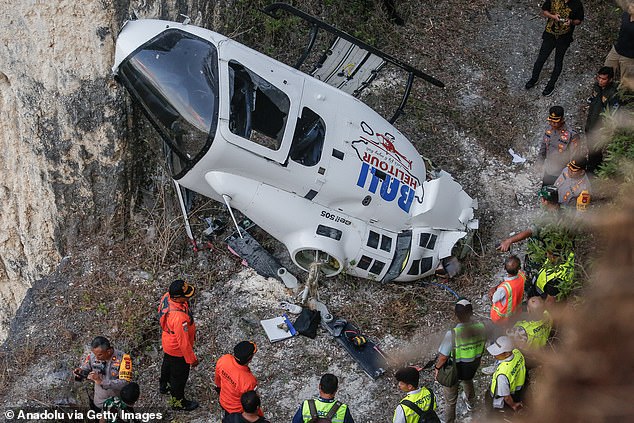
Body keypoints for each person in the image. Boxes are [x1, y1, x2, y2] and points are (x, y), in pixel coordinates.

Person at [434, 299, 486, 423]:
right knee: (468, 383)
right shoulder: (481, 327)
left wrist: (437, 369)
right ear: (472, 312)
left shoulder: (453, 334)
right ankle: (473, 407)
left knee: (450, 401)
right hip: (471, 366)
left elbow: (443, 357)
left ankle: (449, 421)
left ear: (456, 315)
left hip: (455, 370)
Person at [525, 0, 585, 96]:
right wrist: (553, 16)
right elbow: (544, 11)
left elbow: (579, 20)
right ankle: (534, 79)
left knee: (558, 62)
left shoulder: (577, 3)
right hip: (550, 35)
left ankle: (550, 85)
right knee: (541, 59)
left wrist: (571, 22)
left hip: (564, 38)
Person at [158, 279, 199, 411]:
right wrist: (191, 359)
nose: (188, 297)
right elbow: (184, 343)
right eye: (185, 296)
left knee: (167, 363)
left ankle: (163, 385)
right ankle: (179, 402)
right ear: (177, 297)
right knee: (179, 377)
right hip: (177, 349)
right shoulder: (179, 318)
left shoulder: (167, 296)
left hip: (168, 341)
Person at [73, 336, 132, 411]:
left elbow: (125, 383)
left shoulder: (124, 358)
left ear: (109, 351)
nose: (97, 358)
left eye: (100, 355)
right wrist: (80, 372)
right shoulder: (92, 356)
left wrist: (102, 382)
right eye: (95, 354)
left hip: (117, 404)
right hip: (99, 403)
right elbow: (85, 369)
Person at [497, 185, 561, 252]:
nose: (541, 200)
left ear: (545, 201)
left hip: (546, 248)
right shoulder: (564, 208)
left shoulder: (546, 218)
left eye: (541, 198)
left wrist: (509, 241)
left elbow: (530, 232)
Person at [585, 67, 620, 172]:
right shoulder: (597, 87)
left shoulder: (613, 93)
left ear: (610, 79)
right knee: (592, 151)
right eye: (599, 78)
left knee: (594, 151)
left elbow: (613, 114)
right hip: (590, 124)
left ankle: (592, 171)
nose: (600, 81)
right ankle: (596, 167)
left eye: (603, 79)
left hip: (599, 129)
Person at [539, 106, 584, 186]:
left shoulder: (572, 135)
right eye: (551, 121)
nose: (553, 124)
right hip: (548, 170)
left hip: (561, 174)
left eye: (556, 121)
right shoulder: (548, 129)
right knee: (545, 193)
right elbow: (543, 147)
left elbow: (575, 157)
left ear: (562, 119)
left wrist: (569, 174)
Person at [215, 341, 260, 416]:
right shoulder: (249, 381)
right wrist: (260, 415)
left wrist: (219, 389)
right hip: (237, 410)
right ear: (250, 359)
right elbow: (251, 403)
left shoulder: (224, 360)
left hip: (223, 400)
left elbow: (217, 379)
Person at [508, 297, 553, 368]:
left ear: (528, 310)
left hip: (529, 355)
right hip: (542, 347)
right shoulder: (548, 315)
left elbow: (509, 336)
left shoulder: (523, 330)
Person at [487, 336, 526, 413]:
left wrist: (513, 405)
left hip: (504, 399)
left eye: (497, 352)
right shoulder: (517, 352)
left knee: (494, 413)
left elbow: (507, 397)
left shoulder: (502, 375)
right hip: (519, 391)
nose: (494, 355)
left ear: (507, 354)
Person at [489, 256, 526, 327]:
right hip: (516, 313)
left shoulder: (503, 288)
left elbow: (494, 299)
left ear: (504, 268)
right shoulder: (522, 275)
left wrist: (492, 291)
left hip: (502, 320)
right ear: (519, 268)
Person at [604, 4, 634, 90]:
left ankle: (619, 101)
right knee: (604, 75)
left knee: (625, 85)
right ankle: (599, 98)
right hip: (616, 50)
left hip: (629, 57)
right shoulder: (626, 14)